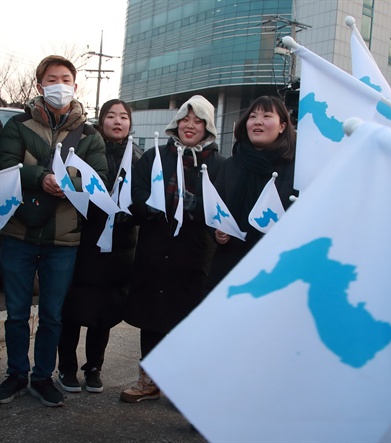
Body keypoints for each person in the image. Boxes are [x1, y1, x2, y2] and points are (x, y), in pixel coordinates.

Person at [0, 55, 108, 407]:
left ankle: (42, 376)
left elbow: (98, 178)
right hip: (17, 233)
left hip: (64, 240)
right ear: (40, 85)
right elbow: (5, 166)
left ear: (75, 86)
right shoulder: (17, 125)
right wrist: (40, 178)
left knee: (52, 315)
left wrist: (65, 180)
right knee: (16, 313)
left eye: (65, 78)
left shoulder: (90, 135)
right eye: (51, 78)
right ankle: (16, 374)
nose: (58, 84)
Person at [121, 95, 225, 403]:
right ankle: (148, 379)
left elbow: (223, 206)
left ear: (208, 127)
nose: (189, 126)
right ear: (175, 122)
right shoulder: (155, 156)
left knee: (188, 319)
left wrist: (197, 207)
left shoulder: (218, 164)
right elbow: (136, 190)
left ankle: (184, 385)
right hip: (155, 246)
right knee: (153, 314)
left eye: (197, 121)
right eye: (185, 119)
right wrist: (154, 207)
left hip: (194, 253)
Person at [56, 99, 143, 394]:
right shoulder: (87, 150)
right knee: (73, 308)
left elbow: (144, 198)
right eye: (111, 116)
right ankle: (66, 367)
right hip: (86, 240)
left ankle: (94, 367)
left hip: (121, 245)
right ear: (101, 120)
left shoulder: (139, 158)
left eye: (123, 117)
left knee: (104, 312)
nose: (118, 122)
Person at [205, 95, 297, 292]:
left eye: (266, 116)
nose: (258, 121)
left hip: (273, 270)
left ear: (282, 126)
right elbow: (216, 210)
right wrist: (218, 232)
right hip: (229, 267)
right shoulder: (231, 165)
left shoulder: (295, 169)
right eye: (253, 116)